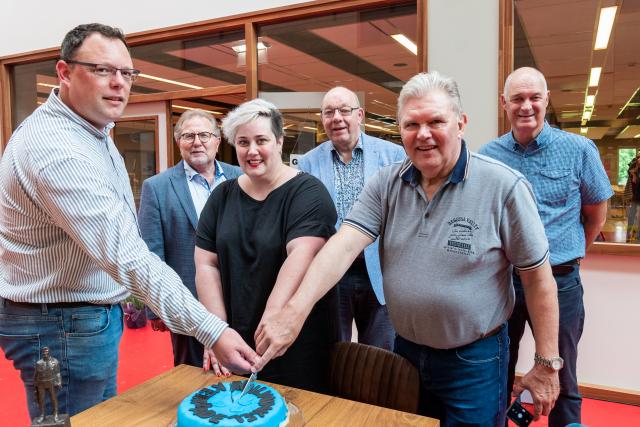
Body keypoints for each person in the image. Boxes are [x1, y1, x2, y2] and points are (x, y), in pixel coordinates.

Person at [254, 71, 561, 426]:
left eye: (436, 121)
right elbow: (343, 245)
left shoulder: (503, 186)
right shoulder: (386, 183)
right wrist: (294, 311)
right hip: (407, 352)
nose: (424, 134)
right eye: (411, 124)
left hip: (474, 360)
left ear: (460, 123)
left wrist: (546, 362)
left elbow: (538, 280)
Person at [0, 23, 257, 420]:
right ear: (65, 73)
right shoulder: (57, 149)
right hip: (61, 324)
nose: (120, 83)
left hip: (81, 318)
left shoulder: (94, 132)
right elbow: (130, 255)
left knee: (101, 418)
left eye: (127, 73)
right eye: (103, 70)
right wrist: (213, 330)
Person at [479, 66, 613, 427]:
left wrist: (570, 253)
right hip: (503, 282)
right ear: (504, 103)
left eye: (534, 97)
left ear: (546, 100)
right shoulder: (487, 155)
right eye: (517, 98)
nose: (526, 106)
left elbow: (596, 214)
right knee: (496, 370)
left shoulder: (578, 150)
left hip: (560, 282)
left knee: (560, 371)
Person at [194, 98, 338, 393]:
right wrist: (217, 331)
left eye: (261, 140)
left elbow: (302, 254)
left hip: (295, 341)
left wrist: (271, 324)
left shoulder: (309, 192)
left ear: (279, 141)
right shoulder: (222, 196)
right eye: (243, 142)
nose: (252, 151)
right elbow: (206, 264)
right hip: (235, 341)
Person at [298, 87, 404, 350]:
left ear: (360, 115)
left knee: (380, 351)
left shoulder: (393, 156)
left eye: (344, 110)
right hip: (332, 269)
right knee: (333, 347)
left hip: (379, 269)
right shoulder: (308, 163)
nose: (337, 118)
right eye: (329, 112)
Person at [138, 109, 241, 370]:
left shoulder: (241, 178)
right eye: (188, 136)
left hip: (241, 296)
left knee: (243, 371)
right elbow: (152, 253)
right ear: (178, 142)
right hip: (187, 302)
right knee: (194, 374)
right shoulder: (157, 187)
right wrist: (157, 308)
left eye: (204, 135)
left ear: (218, 140)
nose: (197, 142)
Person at [34, 347, 62, 424]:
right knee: (41, 400)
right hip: (41, 383)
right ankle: (42, 415)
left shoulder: (55, 361)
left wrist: (59, 382)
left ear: (49, 352)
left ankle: (55, 414)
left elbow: (58, 373)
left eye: (46, 352)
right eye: (44, 352)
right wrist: (35, 386)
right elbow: (36, 375)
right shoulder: (38, 363)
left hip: (51, 383)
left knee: (53, 398)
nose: (45, 353)